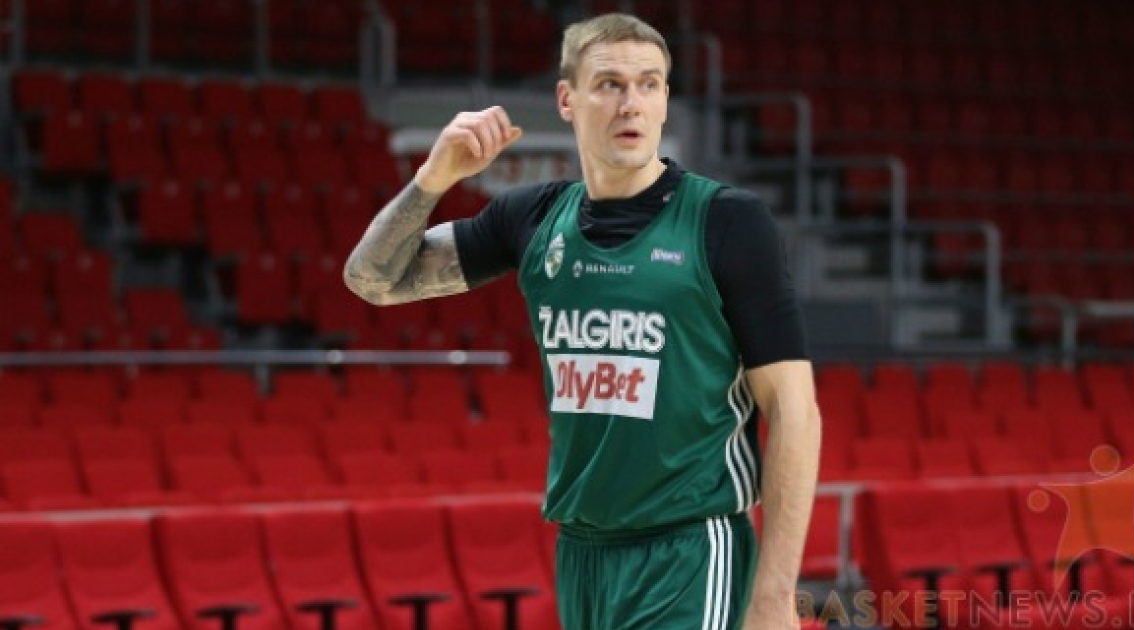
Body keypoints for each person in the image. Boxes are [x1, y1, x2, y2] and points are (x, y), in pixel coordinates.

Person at [344, 12, 821, 630]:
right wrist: (433, 179)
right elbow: (372, 280)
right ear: (567, 100)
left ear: (665, 100)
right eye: (610, 84)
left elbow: (794, 409)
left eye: (649, 84)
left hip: (689, 549)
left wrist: (775, 594)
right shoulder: (532, 218)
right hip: (582, 553)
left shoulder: (727, 222)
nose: (631, 103)